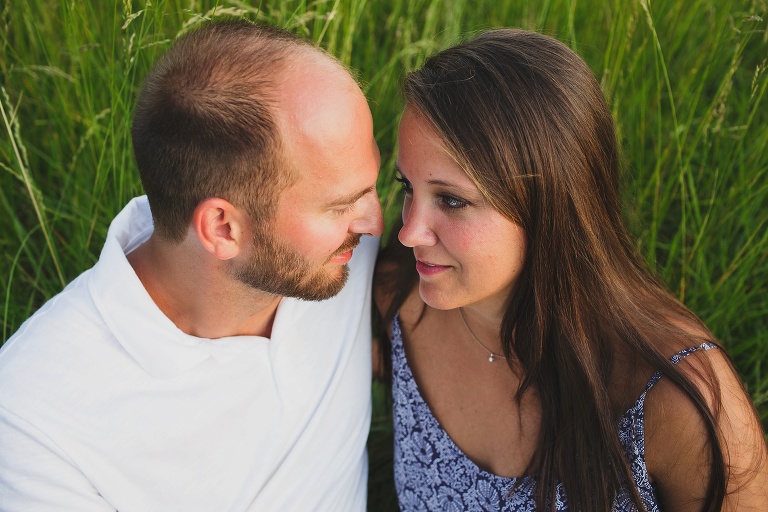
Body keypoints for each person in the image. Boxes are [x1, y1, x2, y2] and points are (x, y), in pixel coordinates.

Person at [375, 28, 768, 511]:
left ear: (551, 206)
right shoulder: (398, 299)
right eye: (407, 187)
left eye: (452, 200)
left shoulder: (676, 399)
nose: (409, 232)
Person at [0, 20, 383, 511]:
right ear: (222, 228)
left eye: (373, 184)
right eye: (341, 206)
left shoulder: (337, 261)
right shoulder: (33, 423)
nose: (377, 222)